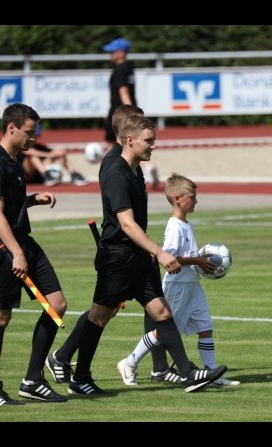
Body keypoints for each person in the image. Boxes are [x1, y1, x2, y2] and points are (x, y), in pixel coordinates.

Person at [50, 114, 227, 395]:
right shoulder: (116, 173)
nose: (153, 145)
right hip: (118, 258)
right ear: (130, 140)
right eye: (149, 140)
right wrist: (158, 252)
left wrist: (148, 254)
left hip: (137, 258)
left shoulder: (135, 170)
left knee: (162, 312)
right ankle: (79, 378)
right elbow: (126, 223)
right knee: (98, 318)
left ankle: (188, 375)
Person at [44, 103, 146, 383]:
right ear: (127, 130)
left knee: (108, 310)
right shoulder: (115, 163)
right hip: (118, 249)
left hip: (129, 249)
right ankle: (63, 358)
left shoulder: (130, 161)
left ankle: (63, 357)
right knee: (102, 311)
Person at [0, 103, 68, 405]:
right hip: (4, 247)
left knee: (57, 305)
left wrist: (32, 200)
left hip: (24, 242)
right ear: (11, 128)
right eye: (29, 133)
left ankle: (32, 380)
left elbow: (11, 204)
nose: (34, 138)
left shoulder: (16, 160)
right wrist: (16, 252)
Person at [116, 173, 240, 387]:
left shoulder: (186, 224)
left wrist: (198, 262)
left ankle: (212, 373)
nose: (196, 201)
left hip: (193, 285)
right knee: (163, 332)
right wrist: (198, 260)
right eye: (192, 197)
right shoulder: (174, 225)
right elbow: (170, 259)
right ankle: (129, 362)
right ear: (177, 199)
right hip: (177, 286)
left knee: (206, 326)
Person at [102, 37, 160, 190]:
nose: (110, 54)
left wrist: (129, 112)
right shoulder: (129, 67)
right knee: (130, 143)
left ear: (121, 53)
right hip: (122, 109)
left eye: (113, 51)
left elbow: (123, 90)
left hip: (119, 111)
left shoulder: (120, 69)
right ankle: (148, 167)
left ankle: (111, 172)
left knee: (113, 144)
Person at [22, 123, 88, 187]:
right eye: (31, 135)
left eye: (35, 136)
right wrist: (49, 155)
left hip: (39, 177)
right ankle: (46, 174)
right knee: (32, 157)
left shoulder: (40, 147)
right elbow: (29, 152)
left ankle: (73, 173)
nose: (33, 138)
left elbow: (57, 152)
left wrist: (59, 152)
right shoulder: (21, 146)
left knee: (58, 152)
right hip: (27, 176)